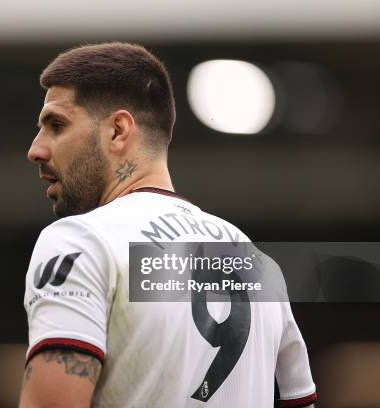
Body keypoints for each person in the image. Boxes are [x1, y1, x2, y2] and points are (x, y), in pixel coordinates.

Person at [19, 42, 316, 407]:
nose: (36, 148)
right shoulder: (259, 264)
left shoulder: (81, 241)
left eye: (57, 125)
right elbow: (301, 398)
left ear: (117, 131)